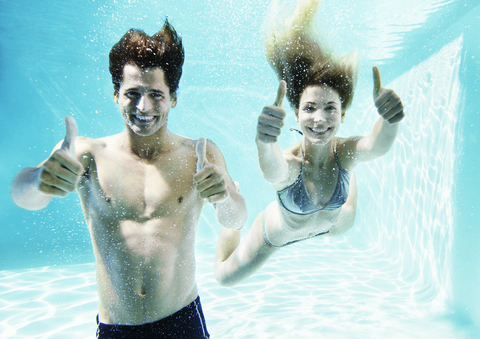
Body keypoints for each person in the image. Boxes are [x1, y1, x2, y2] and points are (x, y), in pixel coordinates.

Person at [10, 20, 247, 339]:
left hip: (182, 321)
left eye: (156, 95)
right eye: (132, 93)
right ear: (115, 95)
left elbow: (236, 218)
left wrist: (223, 197)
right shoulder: (86, 154)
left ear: (173, 97)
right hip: (117, 328)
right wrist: (40, 179)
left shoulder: (199, 155)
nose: (144, 107)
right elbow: (22, 195)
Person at [214, 0, 404, 287]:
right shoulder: (291, 165)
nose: (319, 118)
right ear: (296, 113)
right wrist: (264, 141)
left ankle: (350, 175)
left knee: (349, 192)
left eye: (330, 108)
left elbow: (376, 145)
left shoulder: (345, 151)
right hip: (280, 233)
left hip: (332, 224)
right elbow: (273, 171)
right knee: (223, 278)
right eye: (310, 108)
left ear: (343, 114)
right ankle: (229, 223)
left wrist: (390, 120)